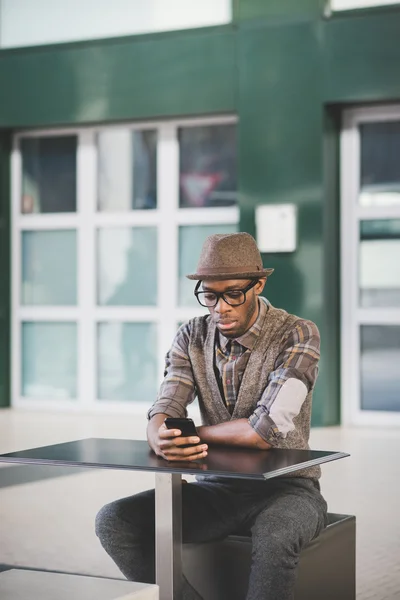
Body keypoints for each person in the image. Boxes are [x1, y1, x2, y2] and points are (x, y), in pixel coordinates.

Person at [95, 232, 328, 600]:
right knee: (113, 520)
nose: (220, 307)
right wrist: (157, 434)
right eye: (209, 294)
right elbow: (167, 404)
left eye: (233, 293)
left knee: (277, 534)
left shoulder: (297, 333)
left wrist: (194, 435)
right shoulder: (191, 335)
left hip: (288, 489)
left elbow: (263, 430)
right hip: (218, 490)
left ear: (259, 284)